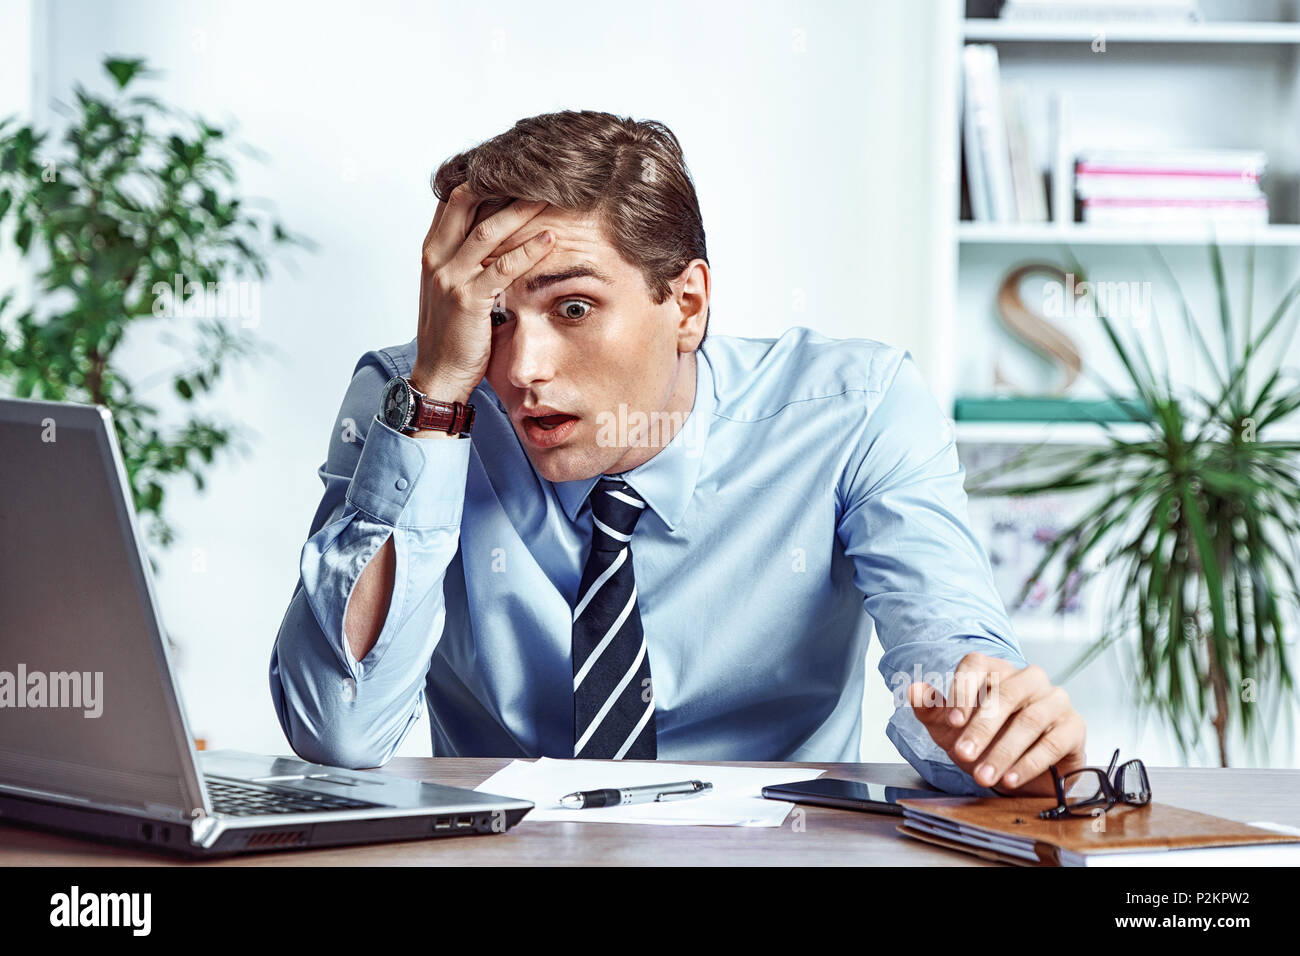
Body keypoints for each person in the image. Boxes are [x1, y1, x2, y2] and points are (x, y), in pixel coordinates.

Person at [269, 110, 1087, 795]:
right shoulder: (418, 401)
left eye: (576, 306)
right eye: (494, 316)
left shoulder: (854, 411)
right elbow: (337, 729)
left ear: (686, 304)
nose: (521, 371)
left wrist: (983, 718)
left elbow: (943, 649)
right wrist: (439, 392)